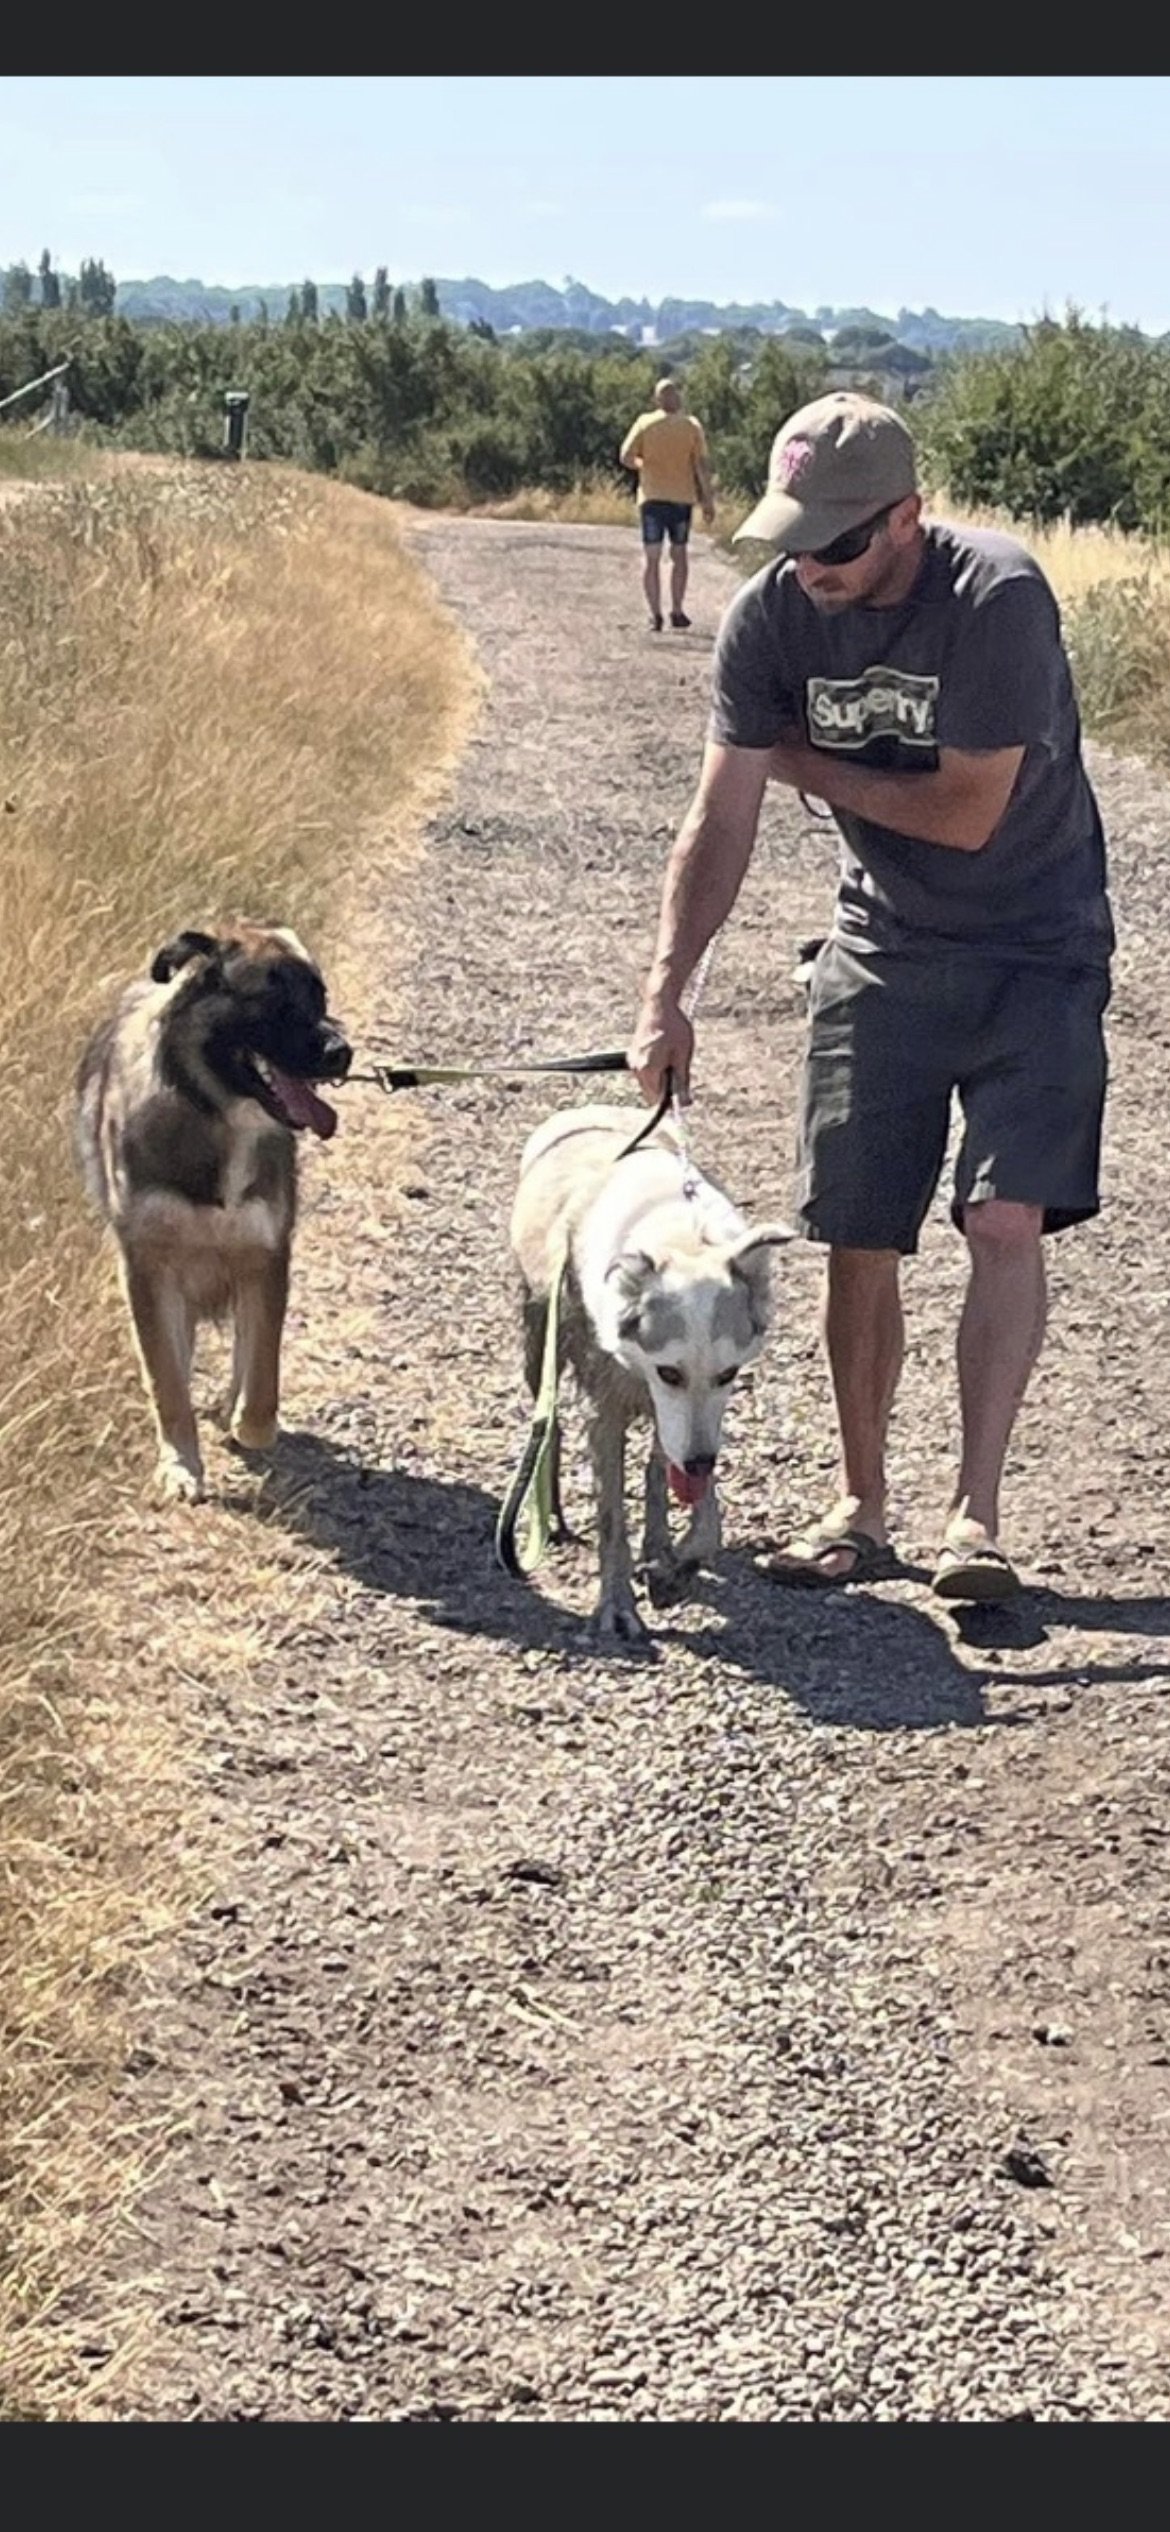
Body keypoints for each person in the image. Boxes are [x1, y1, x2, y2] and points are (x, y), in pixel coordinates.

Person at [626, 389, 1114, 1603]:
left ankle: (976, 1519)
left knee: (1002, 1220)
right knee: (857, 1229)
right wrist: (667, 991)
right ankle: (862, 1505)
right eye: (792, 538)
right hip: (880, 948)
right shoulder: (770, 621)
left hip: (1034, 947)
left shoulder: (998, 598)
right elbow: (720, 817)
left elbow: (966, 812)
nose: (813, 566)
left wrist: (801, 758)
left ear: (909, 516)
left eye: (838, 542)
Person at [619, 377, 716, 633]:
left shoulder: (645, 423)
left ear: (657, 399)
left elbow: (626, 456)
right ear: (678, 397)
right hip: (681, 499)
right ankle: (677, 609)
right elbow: (701, 466)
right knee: (679, 555)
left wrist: (644, 465)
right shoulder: (691, 426)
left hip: (651, 497)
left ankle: (654, 614)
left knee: (652, 557)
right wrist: (707, 499)